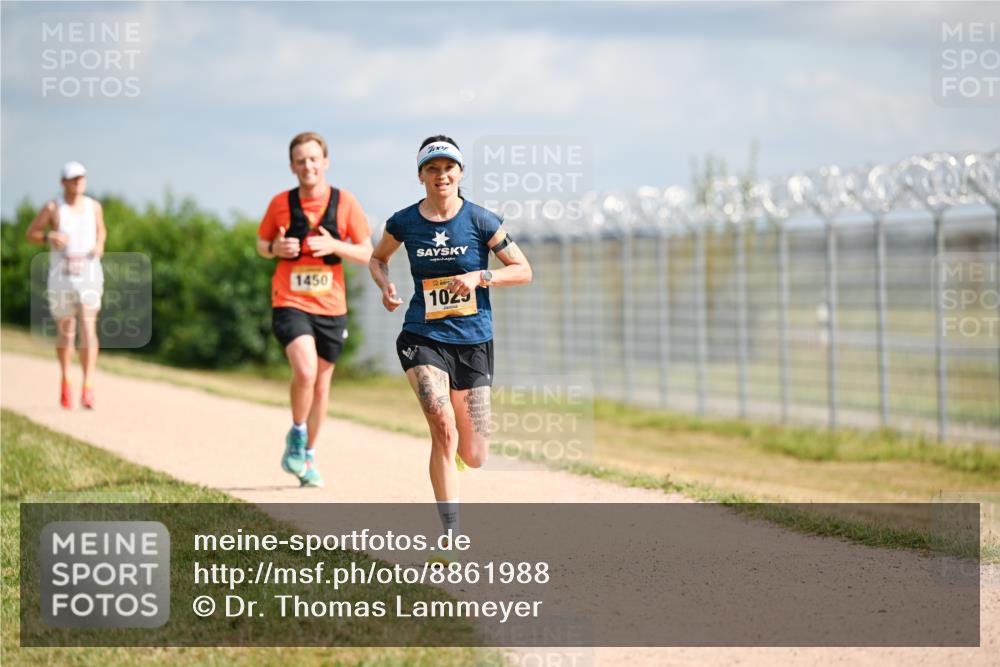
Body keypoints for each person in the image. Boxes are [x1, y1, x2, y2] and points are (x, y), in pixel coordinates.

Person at [369, 135, 532, 557]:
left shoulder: (481, 221)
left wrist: (482, 277)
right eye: (432, 169)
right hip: (423, 336)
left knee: (475, 454)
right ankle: (451, 532)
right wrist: (386, 286)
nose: (441, 175)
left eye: (449, 168)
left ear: (459, 174)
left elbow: (523, 269)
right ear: (421, 176)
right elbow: (377, 257)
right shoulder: (405, 221)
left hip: (474, 341)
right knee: (441, 425)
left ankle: (459, 458)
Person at [257, 132, 373, 487]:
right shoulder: (280, 202)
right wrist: (277, 247)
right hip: (290, 302)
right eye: (300, 160)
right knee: (305, 372)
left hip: (331, 307)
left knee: (321, 387)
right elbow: (262, 244)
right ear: (292, 166)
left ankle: (307, 455)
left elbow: (368, 251)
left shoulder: (345, 202)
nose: (307, 165)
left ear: (325, 162)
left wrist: (334, 243)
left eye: (313, 158)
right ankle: (296, 432)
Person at [25, 161, 106, 409]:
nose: (78, 182)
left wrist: (100, 245)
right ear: (64, 182)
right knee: (67, 331)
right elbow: (31, 233)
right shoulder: (53, 207)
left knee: (88, 327)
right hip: (62, 275)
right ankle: (66, 380)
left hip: (89, 274)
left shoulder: (94, 207)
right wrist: (49, 236)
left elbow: (102, 231)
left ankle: (88, 386)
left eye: (81, 178)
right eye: (73, 179)